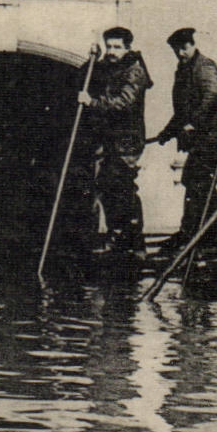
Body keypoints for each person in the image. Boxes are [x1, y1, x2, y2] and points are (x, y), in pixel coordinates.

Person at [153, 27, 217, 258]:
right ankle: (200, 233)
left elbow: (213, 97)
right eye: (176, 49)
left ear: (192, 45)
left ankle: (205, 237)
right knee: (197, 181)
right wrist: (167, 133)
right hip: (202, 135)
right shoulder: (184, 70)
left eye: (184, 48)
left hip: (215, 134)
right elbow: (182, 110)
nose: (180, 53)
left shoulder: (204, 66)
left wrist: (194, 123)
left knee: (198, 180)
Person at [78, 26, 153, 259]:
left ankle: (135, 243)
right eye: (109, 46)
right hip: (111, 139)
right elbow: (81, 76)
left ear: (128, 48)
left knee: (124, 188)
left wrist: (92, 103)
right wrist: (92, 58)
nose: (112, 51)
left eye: (117, 47)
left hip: (127, 141)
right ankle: (118, 236)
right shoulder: (111, 67)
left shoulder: (134, 70)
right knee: (109, 187)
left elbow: (123, 103)